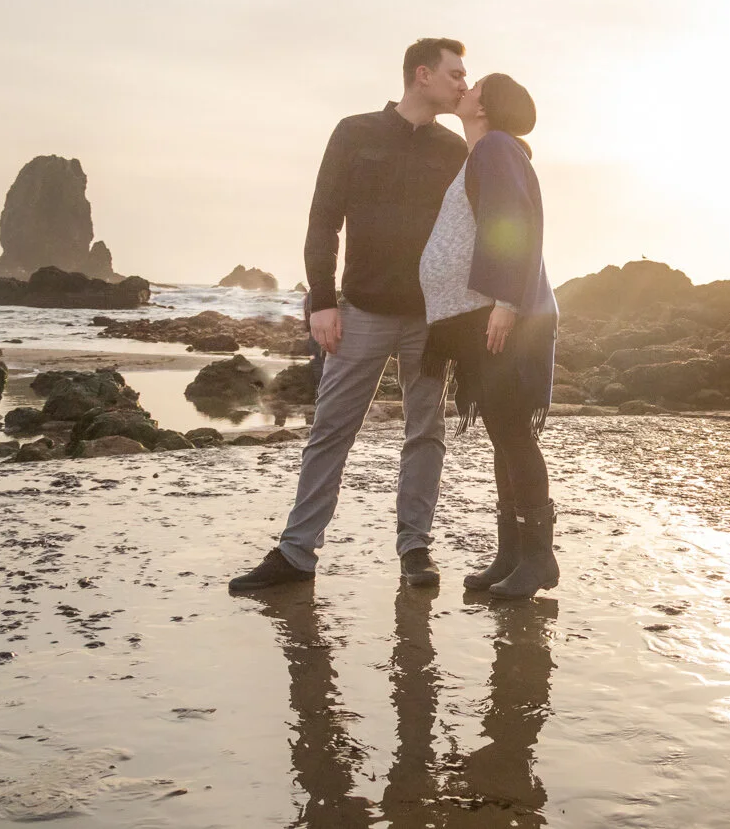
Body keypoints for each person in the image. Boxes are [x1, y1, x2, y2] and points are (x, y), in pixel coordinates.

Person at [229, 37, 469, 593]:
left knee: (425, 430)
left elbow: (468, 233)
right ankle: (296, 553)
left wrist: (460, 313)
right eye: (455, 74)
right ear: (422, 74)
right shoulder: (354, 132)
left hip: (430, 320)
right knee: (331, 430)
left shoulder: (454, 150)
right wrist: (322, 301)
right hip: (359, 309)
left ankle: (415, 549)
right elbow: (322, 221)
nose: (463, 84)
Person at [416, 73, 561, 599]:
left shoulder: (497, 147)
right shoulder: (486, 151)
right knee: (505, 434)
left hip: (504, 317)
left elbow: (510, 222)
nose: (465, 88)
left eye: (473, 84)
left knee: (514, 435)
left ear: (486, 106)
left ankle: (539, 557)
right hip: (485, 316)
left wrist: (504, 303)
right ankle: (512, 553)